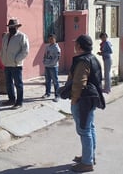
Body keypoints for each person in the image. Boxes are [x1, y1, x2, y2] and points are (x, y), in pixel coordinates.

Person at [68, 35, 105, 173]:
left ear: (79, 46)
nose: (74, 46)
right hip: (91, 100)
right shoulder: (94, 58)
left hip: (82, 100)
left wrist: (74, 100)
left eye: (76, 44)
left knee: (84, 130)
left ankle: (87, 163)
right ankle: (89, 156)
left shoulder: (83, 61)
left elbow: (79, 83)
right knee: (90, 128)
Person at [0, 18, 29, 109]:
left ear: (17, 27)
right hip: (7, 64)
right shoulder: (5, 36)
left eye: (13, 27)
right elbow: (3, 49)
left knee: (18, 84)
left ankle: (19, 102)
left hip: (16, 65)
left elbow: (25, 51)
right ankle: (11, 99)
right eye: (10, 27)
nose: (11, 29)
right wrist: (2, 58)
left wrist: (17, 59)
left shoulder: (22, 36)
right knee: (8, 83)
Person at [42, 34, 61, 102]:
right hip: (47, 66)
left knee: (55, 81)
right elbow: (45, 55)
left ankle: (57, 95)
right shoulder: (47, 47)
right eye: (49, 39)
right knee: (47, 80)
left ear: (55, 39)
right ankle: (47, 93)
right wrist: (44, 61)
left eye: (52, 39)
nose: (50, 40)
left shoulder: (57, 48)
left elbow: (57, 58)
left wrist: (50, 63)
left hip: (53, 67)